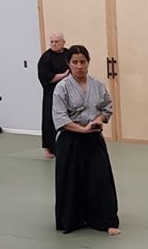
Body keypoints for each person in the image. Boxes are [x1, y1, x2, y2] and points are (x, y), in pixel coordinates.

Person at [52, 45, 120, 235]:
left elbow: (107, 107)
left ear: (88, 62)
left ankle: (104, 220)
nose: (79, 66)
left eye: (83, 62)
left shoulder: (97, 85)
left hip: (93, 138)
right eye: (74, 62)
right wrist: (81, 129)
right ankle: (72, 220)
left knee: (99, 179)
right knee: (72, 181)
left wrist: (98, 120)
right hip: (70, 139)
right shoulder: (62, 87)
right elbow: (60, 118)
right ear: (68, 64)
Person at [38, 32, 70, 158]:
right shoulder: (46, 57)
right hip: (51, 91)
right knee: (49, 118)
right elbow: (44, 76)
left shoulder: (68, 54)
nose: (54, 44)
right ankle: (48, 148)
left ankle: (65, 145)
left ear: (63, 42)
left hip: (67, 91)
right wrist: (63, 76)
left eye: (57, 42)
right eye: (52, 42)